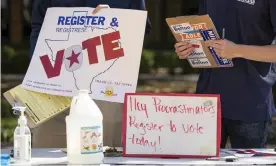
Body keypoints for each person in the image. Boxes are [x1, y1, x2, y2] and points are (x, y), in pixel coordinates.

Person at [30, 0, 151, 148]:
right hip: (54, 81)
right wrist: (38, 69)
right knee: (45, 148)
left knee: (102, 150)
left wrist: (117, 18)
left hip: (106, 84)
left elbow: (139, 29)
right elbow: (39, 24)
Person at [174, 0, 276, 148]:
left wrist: (237, 50)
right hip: (207, 103)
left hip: (251, 105)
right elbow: (204, 39)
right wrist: (188, 49)